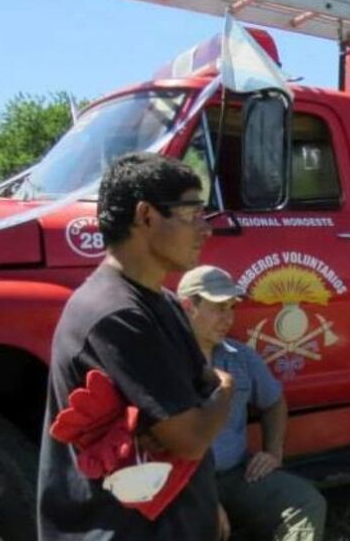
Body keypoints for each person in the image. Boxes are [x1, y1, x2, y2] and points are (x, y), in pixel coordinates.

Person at [38, 152, 234, 540]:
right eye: (191, 213)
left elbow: (194, 403)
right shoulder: (115, 314)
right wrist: (227, 386)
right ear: (145, 216)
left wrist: (206, 501)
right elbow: (191, 438)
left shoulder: (163, 302)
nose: (205, 229)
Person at [178, 264, 327, 541]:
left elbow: (274, 403)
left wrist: (273, 452)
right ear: (188, 306)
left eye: (232, 308)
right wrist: (204, 500)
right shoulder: (163, 363)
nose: (228, 318)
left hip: (236, 474)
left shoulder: (241, 357)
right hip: (181, 483)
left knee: (306, 504)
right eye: (219, 308)